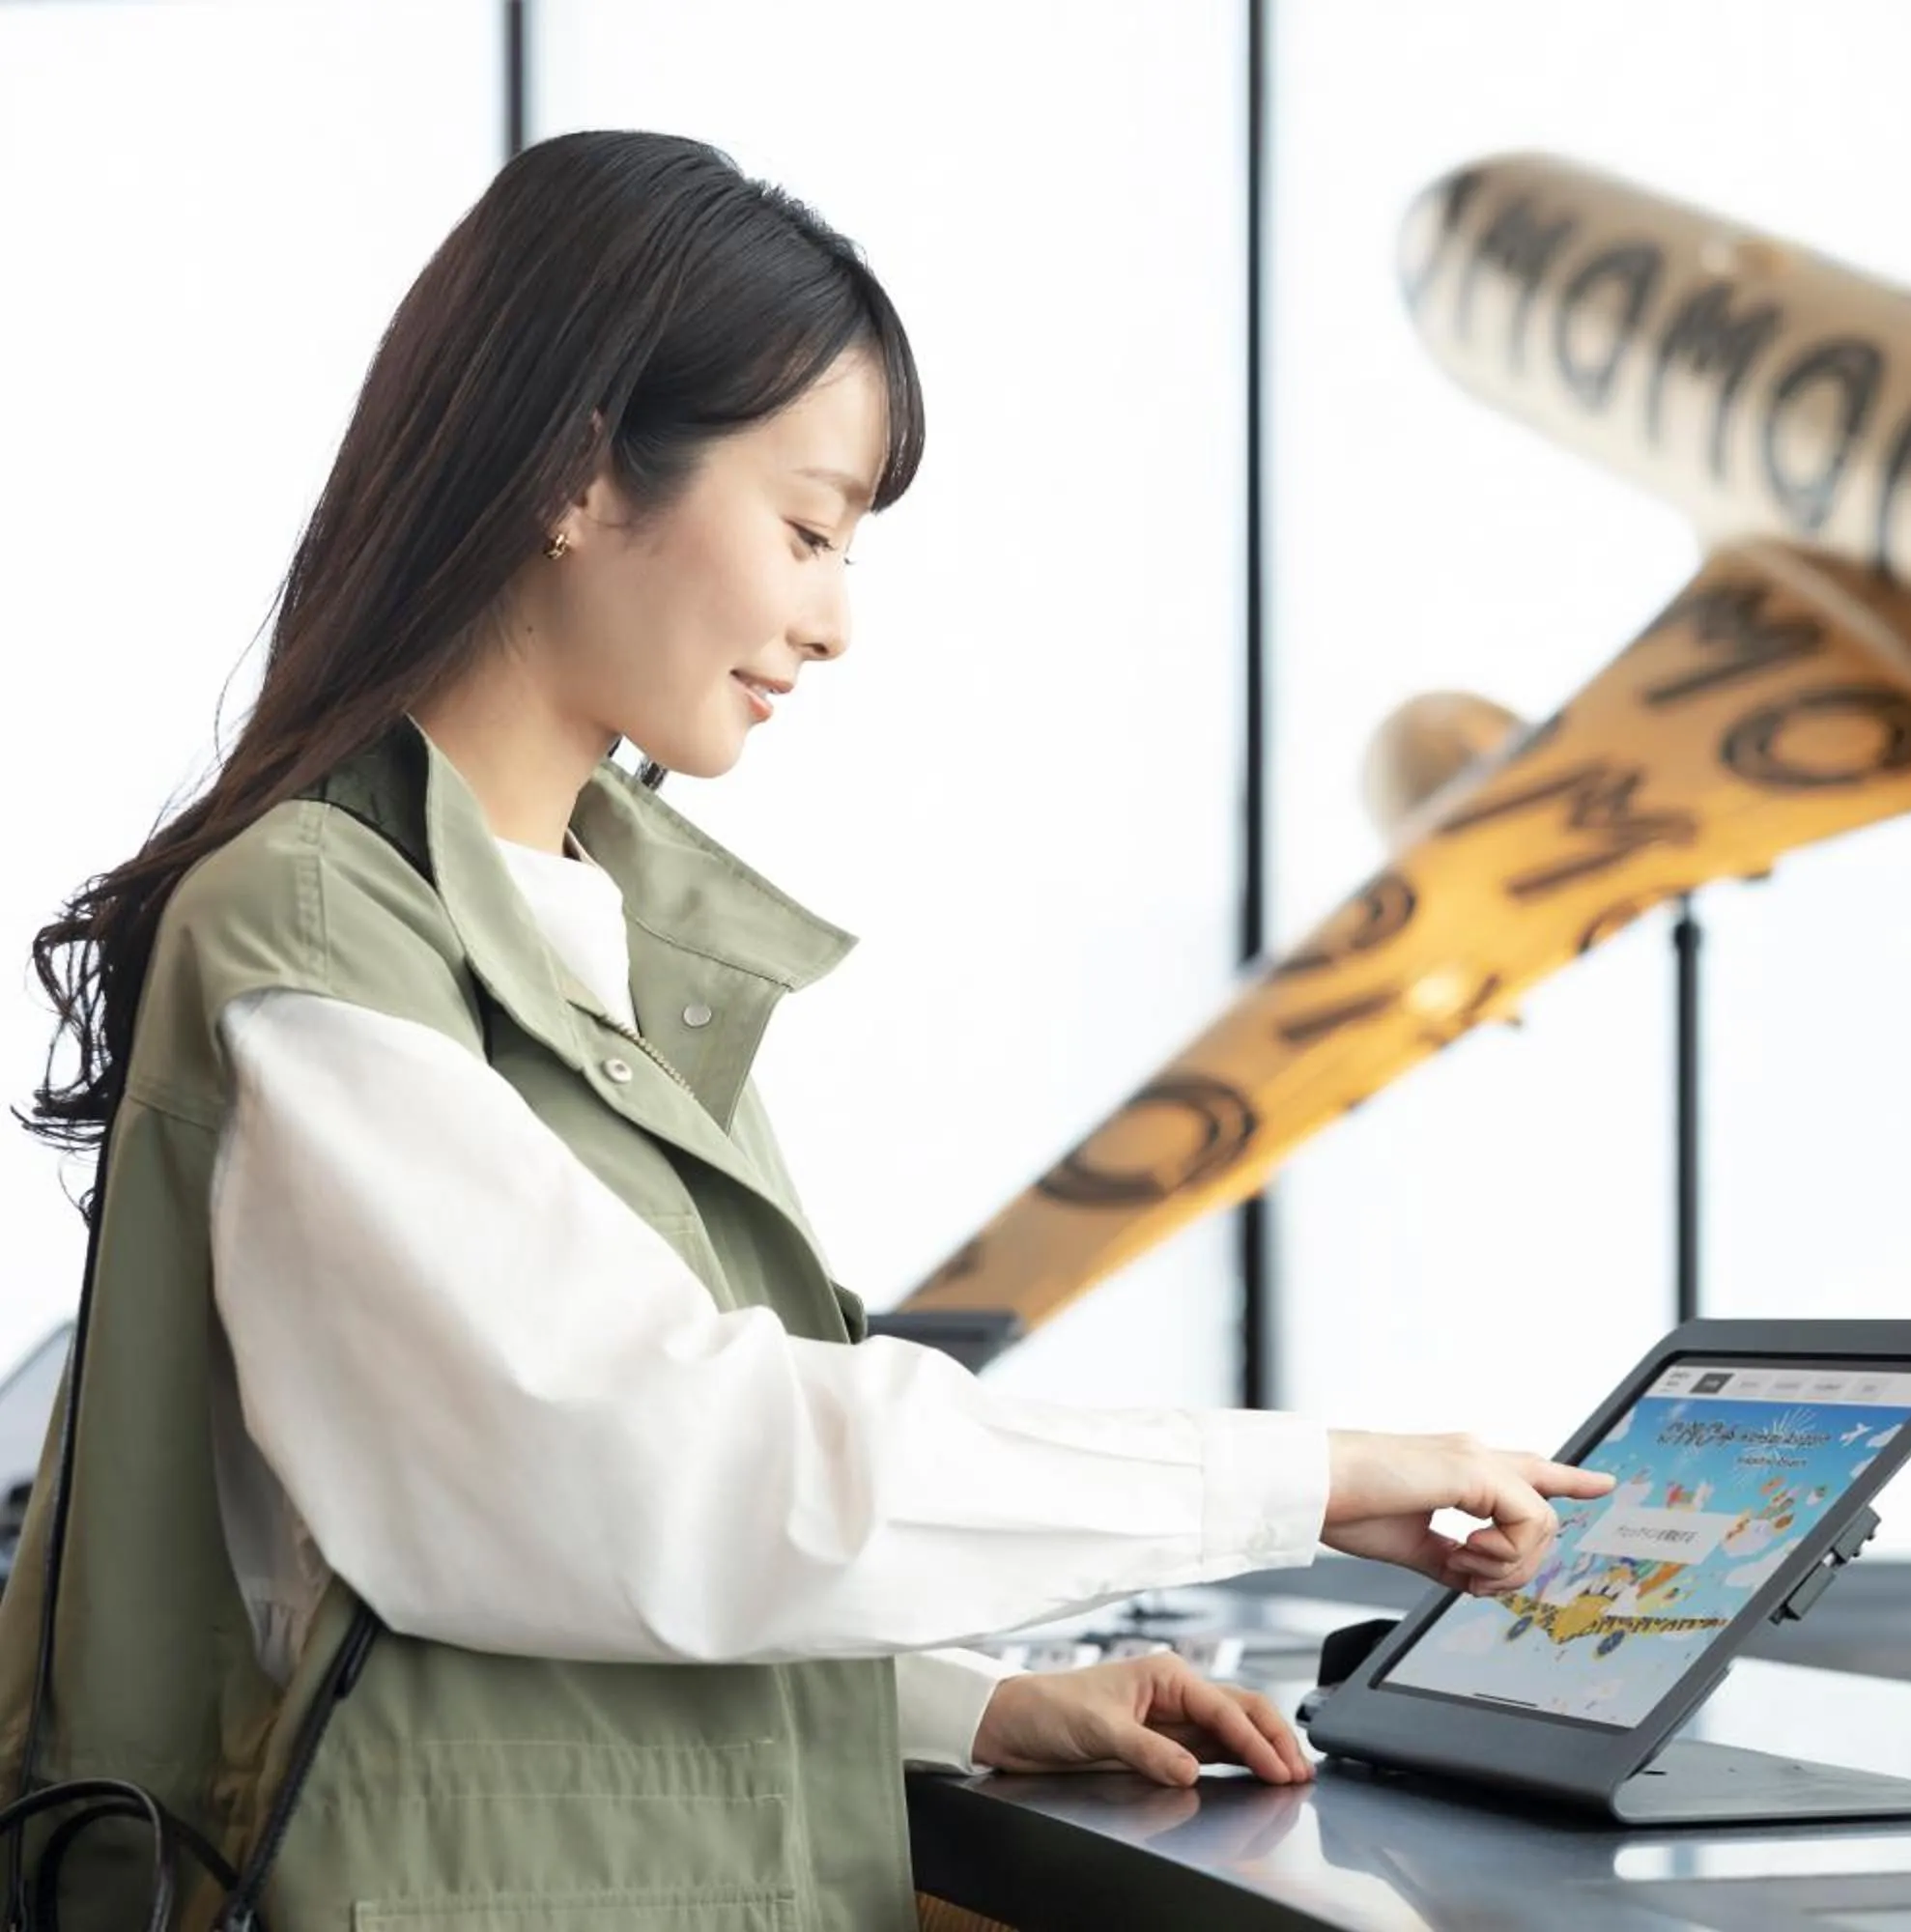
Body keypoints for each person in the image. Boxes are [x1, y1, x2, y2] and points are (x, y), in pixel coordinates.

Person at [0, 128, 1612, 1929]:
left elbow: (562, 1552)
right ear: (579, 473)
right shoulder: (324, 929)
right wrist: (1304, 1476)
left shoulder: (573, 932)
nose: (833, 621)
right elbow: (653, 1473)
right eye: (810, 529)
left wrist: (960, 1702)